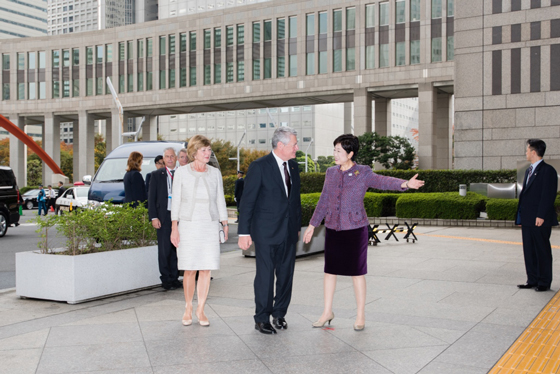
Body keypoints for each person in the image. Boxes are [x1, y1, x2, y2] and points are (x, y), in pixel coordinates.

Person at [303, 134, 424, 331]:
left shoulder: (363, 172)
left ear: (350, 153)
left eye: (339, 151)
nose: (335, 154)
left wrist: (404, 184)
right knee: (329, 271)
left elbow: (383, 181)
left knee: (356, 273)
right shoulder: (331, 173)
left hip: (355, 228)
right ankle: (327, 312)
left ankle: (360, 315)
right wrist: (312, 225)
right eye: (334, 150)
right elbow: (324, 200)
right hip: (334, 227)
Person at [238, 127, 302, 335]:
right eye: (294, 144)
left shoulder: (293, 166)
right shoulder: (259, 167)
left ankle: (279, 313)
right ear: (281, 145)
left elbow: (295, 201)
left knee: (286, 276)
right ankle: (262, 318)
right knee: (265, 276)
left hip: (288, 232)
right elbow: (248, 202)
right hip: (265, 232)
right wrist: (244, 233)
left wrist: (297, 226)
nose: (297, 148)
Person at [170, 135, 228, 327]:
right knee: (190, 268)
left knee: (206, 268)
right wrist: (174, 228)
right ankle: (188, 306)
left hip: (209, 225)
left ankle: (201, 309)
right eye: (204, 150)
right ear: (194, 152)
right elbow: (176, 201)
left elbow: (220, 199)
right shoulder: (182, 173)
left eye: (209, 150)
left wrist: (224, 224)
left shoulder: (215, 173)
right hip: (188, 226)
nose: (208, 153)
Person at [516, 139, 558, 292]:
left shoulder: (548, 171)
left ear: (533, 152)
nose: (526, 153)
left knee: (542, 250)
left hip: (540, 219)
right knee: (529, 250)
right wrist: (521, 216)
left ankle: (544, 282)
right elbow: (525, 196)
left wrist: (541, 215)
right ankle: (532, 279)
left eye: (527, 150)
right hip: (527, 218)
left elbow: (548, 195)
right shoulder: (529, 170)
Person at [148, 147, 182, 291]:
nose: (169, 159)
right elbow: (151, 198)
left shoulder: (182, 173)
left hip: (180, 217)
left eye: (172, 156)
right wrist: (154, 217)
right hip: (164, 216)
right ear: (164, 159)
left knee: (177, 248)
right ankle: (166, 279)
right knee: (164, 249)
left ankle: (174, 278)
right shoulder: (156, 175)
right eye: (167, 157)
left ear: (176, 158)